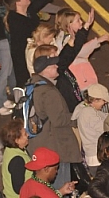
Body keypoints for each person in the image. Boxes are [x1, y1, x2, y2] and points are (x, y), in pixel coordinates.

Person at [27, 54, 81, 189]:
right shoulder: (49, 92)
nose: (57, 66)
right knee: (60, 186)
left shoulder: (32, 85)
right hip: (55, 147)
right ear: (44, 70)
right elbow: (59, 120)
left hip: (39, 143)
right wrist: (77, 117)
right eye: (52, 65)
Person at [72, 83, 109, 174]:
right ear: (95, 100)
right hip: (97, 158)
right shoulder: (88, 113)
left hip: (93, 157)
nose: (105, 103)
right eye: (103, 100)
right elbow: (105, 127)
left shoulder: (83, 108)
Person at [0, 118, 31, 198]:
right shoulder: (17, 160)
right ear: (17, 140)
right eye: (24, 134)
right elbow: (18, 189)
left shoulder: (10, 150)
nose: (28, 135)